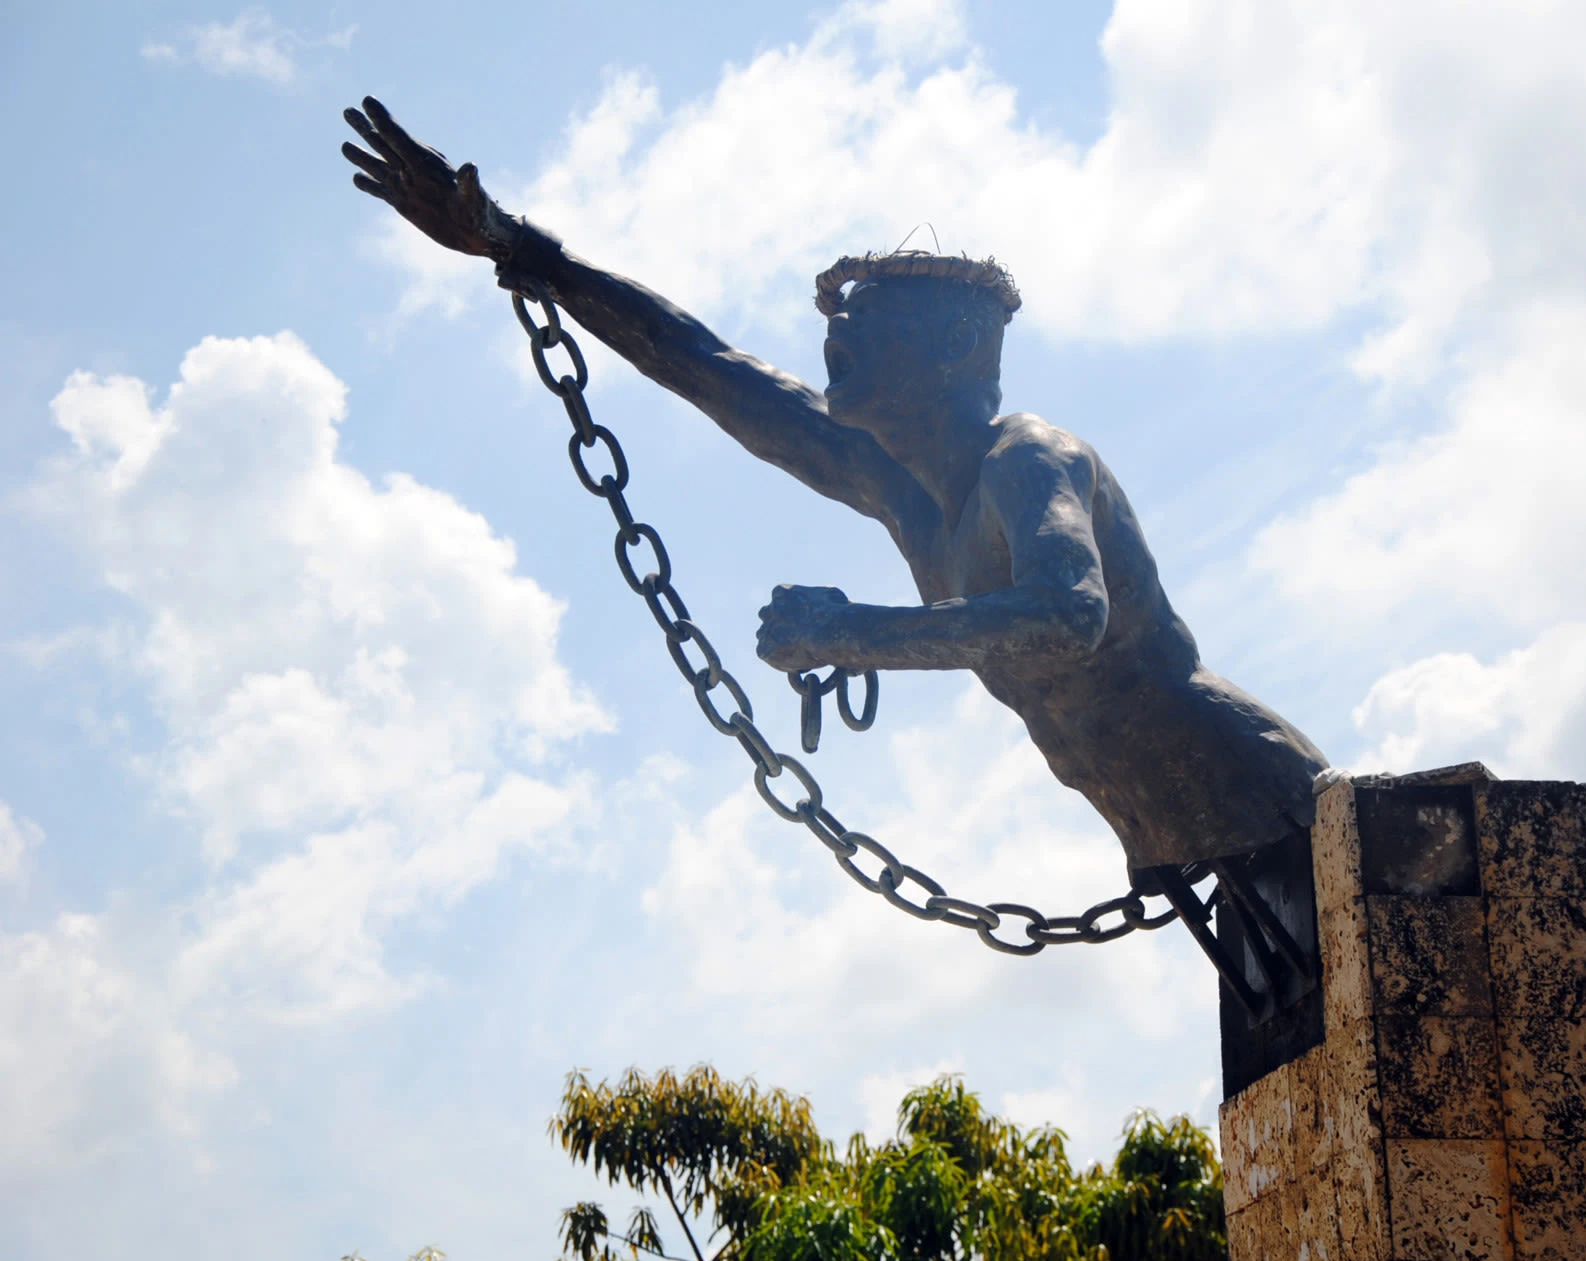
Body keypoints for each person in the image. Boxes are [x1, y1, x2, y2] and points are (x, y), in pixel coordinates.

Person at [339, 97, 1327, 881]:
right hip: (1163, 821)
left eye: (870, 318)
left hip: (1257, 795)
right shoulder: (892, 482)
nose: (834, 333)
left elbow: (1068, 615)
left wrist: (853, 633)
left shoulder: (1028, 458)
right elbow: (707, 361)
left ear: (950, 349)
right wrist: (524, 250)